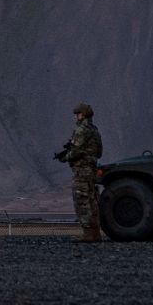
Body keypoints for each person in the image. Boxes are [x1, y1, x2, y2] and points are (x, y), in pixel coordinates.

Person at [63, 103, 103, 243]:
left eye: (77, 114)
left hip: (81, 171)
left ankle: (88, 233)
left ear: (83, 115)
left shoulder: (81, 130)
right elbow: (99, 152)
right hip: (92, 170)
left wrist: (66, 157)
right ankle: (95, 233)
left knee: (82, 201)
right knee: (93, 201)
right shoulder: (94, 130)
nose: (75, 117)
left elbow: (76, 151)